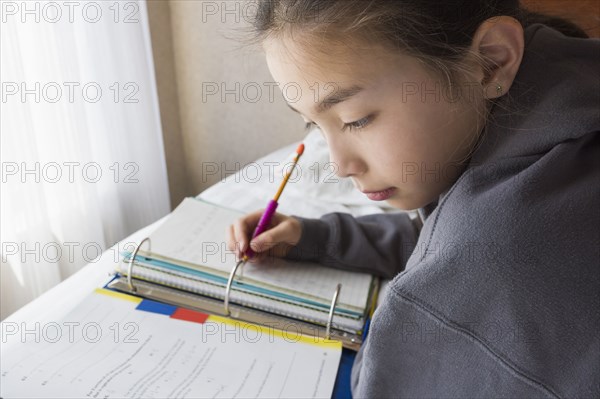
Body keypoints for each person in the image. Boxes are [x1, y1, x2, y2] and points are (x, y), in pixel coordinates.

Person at [227, 1, 599, 396]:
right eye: (312, 124)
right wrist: (321, 238)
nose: (339, 165)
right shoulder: (567, 84)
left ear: (492, 61)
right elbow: (442, 240)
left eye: (356, 119)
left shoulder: (499, 243)